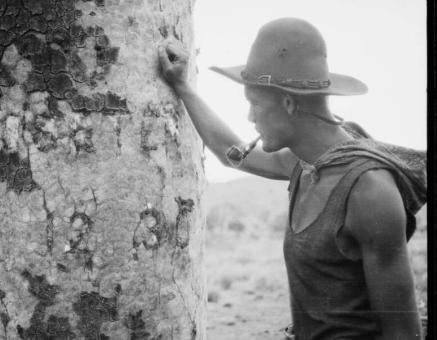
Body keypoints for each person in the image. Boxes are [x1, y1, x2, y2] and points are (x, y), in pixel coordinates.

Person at [158, 17, 425, 339]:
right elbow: (230, 152)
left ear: (288, 103)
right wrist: (182, 86)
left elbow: (403, 332)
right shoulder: (304, 163)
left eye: (254, 104)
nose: (250, 117)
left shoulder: (369, 192)